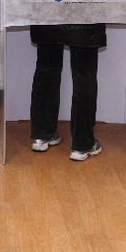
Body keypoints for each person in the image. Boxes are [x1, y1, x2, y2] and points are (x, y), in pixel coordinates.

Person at [29, 24, 105, 161]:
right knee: (84, 74)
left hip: (48, 13)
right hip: (85, 16)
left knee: (47, 69)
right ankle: (82, 144)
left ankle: (42, 135)